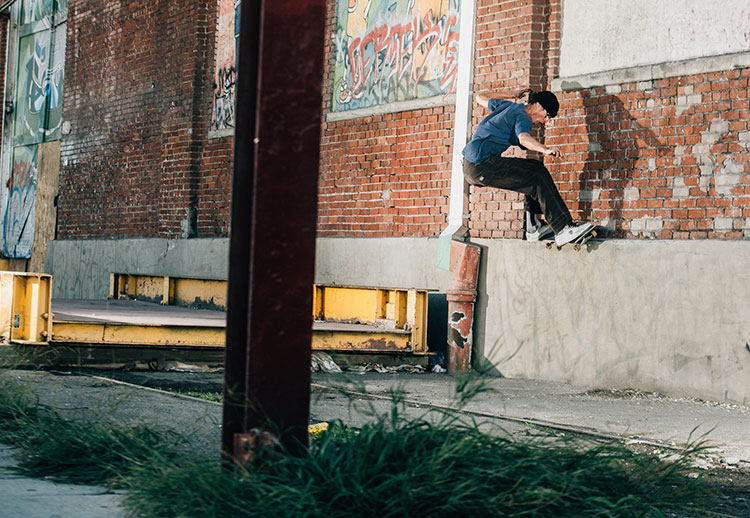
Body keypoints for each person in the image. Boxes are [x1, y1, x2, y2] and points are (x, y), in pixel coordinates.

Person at [462, 88, 593, 246]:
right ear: (538, 106)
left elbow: (480, 97)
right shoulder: (523, 117)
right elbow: (523, 138)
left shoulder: (507, 106)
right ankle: (563, 228)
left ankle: (533, 228)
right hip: (481, 163)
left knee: (530, 172)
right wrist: (546, 149)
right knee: (537, 172)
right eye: (547, 116)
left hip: (471, 165)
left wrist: (511, 95)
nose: (545, 121)